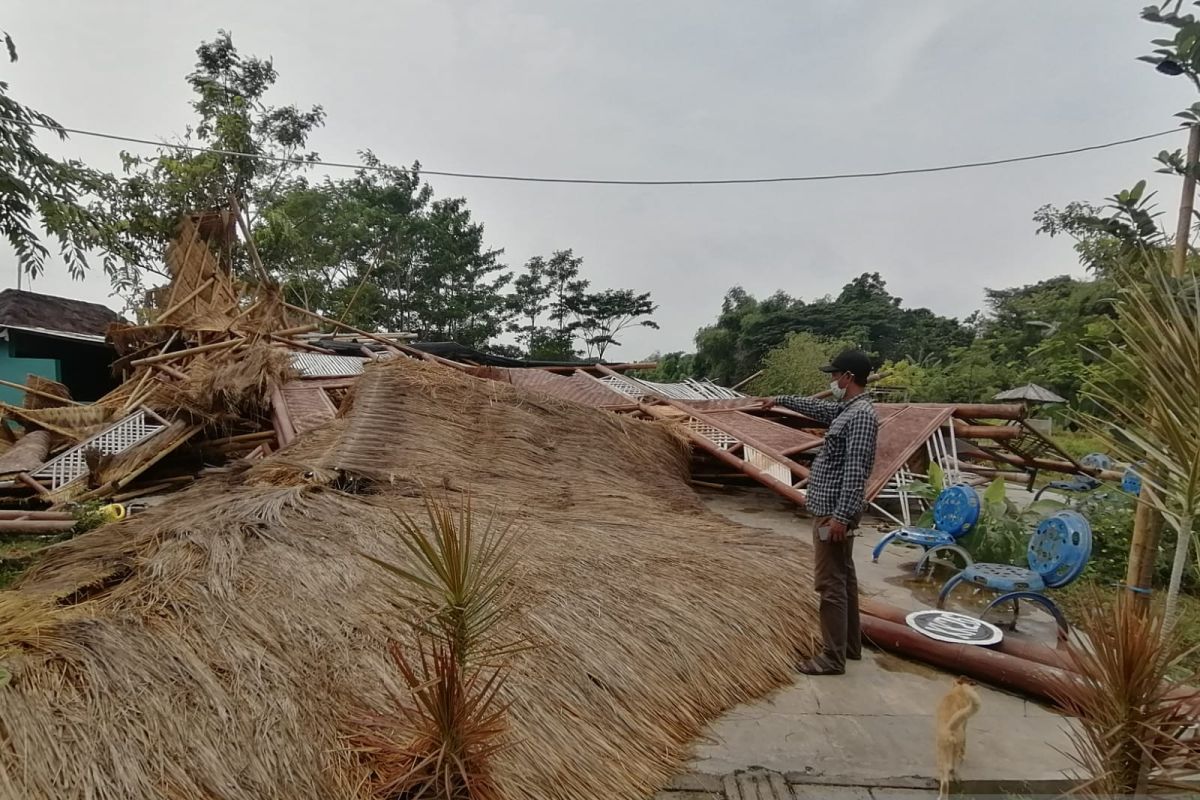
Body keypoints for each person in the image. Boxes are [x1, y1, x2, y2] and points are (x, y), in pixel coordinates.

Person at [762, 349, 878, 676]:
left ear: (848, 377)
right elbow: (818, 407)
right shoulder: (847, 409)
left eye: (834, 375)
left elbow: (856, 472)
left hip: (834, 514)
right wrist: (780, 398)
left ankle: (831, 657)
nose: (831, 381)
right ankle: (850, 647)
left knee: (830, 584)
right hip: (831, 510)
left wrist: (841, 517)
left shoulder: (861, 417)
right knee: (844, 578)